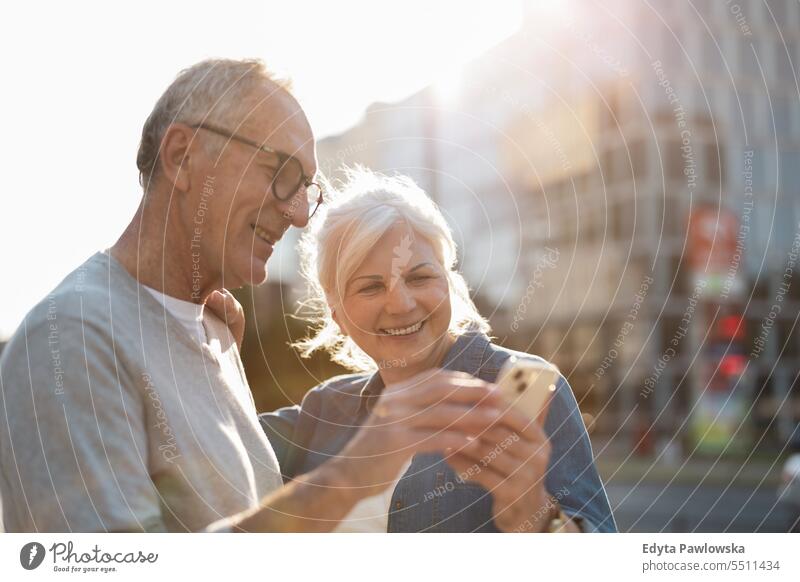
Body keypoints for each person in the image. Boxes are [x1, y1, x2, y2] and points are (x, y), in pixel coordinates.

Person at [0, 59, 511, 532]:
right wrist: (353, 471)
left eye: (306, 188)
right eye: (280, 173)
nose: (295, 214)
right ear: (182, 158)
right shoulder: (68, 338)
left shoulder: (213, 330)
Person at [260, 168, 617, 532]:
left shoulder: (523, 394)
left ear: (449, 281)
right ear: (337, 314)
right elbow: (207, 457)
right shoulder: (324, 410)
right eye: (370, 287)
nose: (400, 304)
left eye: (419, 277)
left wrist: (540, 518)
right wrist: (213, 335)